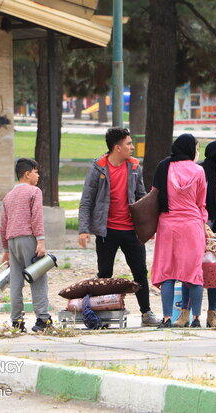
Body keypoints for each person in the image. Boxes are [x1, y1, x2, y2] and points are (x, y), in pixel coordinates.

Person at [78, 127, 159, 327]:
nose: (132, 147)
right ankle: (104, 315)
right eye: (129, 144)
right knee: (105, 273)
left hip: (132, 231)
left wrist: (149, 226)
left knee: (140, 272)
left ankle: (146, 313)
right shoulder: (98, 167)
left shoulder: (134, 167)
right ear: (117, 147)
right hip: (107, 231)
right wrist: (83, 229)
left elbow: (141, 197)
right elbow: (86, 200)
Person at [177, 138, 216, 328]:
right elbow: (193, 201)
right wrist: (203, 227)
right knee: (191, 271)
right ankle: (185, 314)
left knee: (215, 271)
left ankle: (212, 314)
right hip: (197, 226)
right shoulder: (200, 171)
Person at [151, 134, 208, 328]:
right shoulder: (199, 171)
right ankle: (196, 318)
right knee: (194, 272)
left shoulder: (164, 167)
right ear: (191, 149)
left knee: (167, 271)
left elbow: (155, 195)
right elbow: (201, 202)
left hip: (167, 225)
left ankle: (167, 318)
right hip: (192, 225)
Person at [0, 158, 51, 333]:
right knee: (37, 278)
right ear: (27, 174)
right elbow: (36, 216)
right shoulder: (34, 191)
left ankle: (16, 321)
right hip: (29, 238)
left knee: (16, 282)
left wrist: (5, 249)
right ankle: (43, 319)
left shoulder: (9, 196)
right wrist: (41, 240)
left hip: (12, 241)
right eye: (36, 172)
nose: (38, 175)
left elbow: (3, 225)